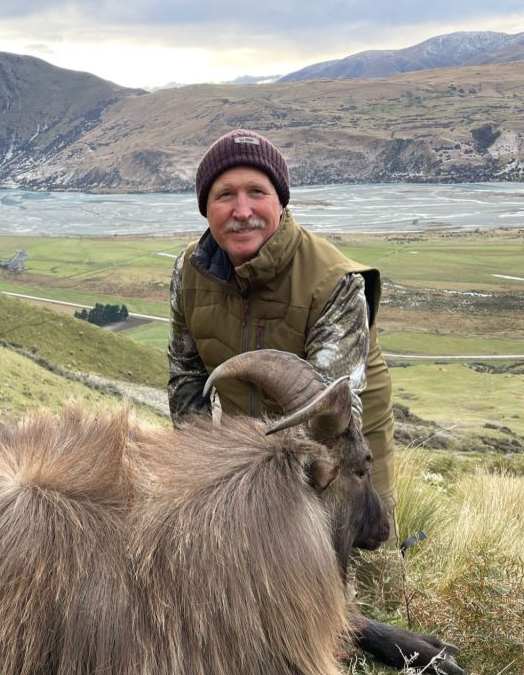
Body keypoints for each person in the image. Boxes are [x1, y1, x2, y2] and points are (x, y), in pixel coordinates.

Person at [167, 128, 397, 533]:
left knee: (362, 568)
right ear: (205, 207)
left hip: (345, 451)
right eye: (225, 195)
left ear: (280, 202)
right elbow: (187, 375)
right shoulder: (190, 271)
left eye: (257, 191)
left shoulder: (334, 281)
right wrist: (197, 469)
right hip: (255, 450)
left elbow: (332, 419)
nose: (242, 210)